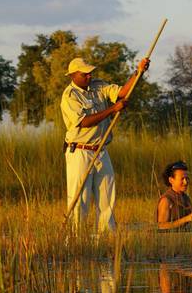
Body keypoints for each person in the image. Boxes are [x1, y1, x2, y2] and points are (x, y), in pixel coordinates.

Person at [61, 56, 150, 233]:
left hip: (101, 150)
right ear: (73, 76)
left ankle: (106, 237)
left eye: (90, 73)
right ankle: (75, 240)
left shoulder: (98, 86)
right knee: (80, 200)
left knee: (107, 196)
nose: (89, 76)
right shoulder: (69, 96)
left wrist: (138, 72)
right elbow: (84, 122)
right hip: (80, 151)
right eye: (84, 74)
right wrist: (112, 109)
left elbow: (122, 93)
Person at [156, 160, 192, 231]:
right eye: (182, 179)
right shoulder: (166, 200)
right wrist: (188, 218)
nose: (185, 182)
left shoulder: (187, 198)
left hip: (188, 235)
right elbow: (161, 226)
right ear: (171, 180)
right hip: (172, 239)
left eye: (187, 178)